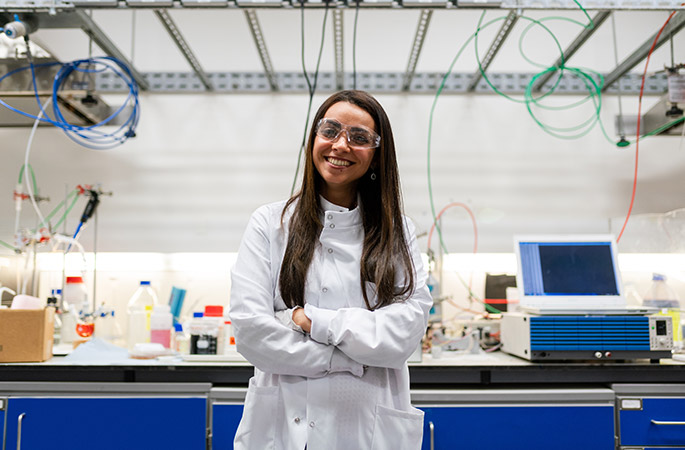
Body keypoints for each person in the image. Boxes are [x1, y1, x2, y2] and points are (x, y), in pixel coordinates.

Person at [229, 90, 432, 450]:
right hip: (282, 429)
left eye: (359, 138)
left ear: (376, 154)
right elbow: (251, 331)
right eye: (330, 131)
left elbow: (403, 336)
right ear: (313, 140)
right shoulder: (270, 224)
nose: (341, 145)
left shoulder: (398, 232)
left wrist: (309, 321)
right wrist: (349, 358)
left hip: (367, 431)